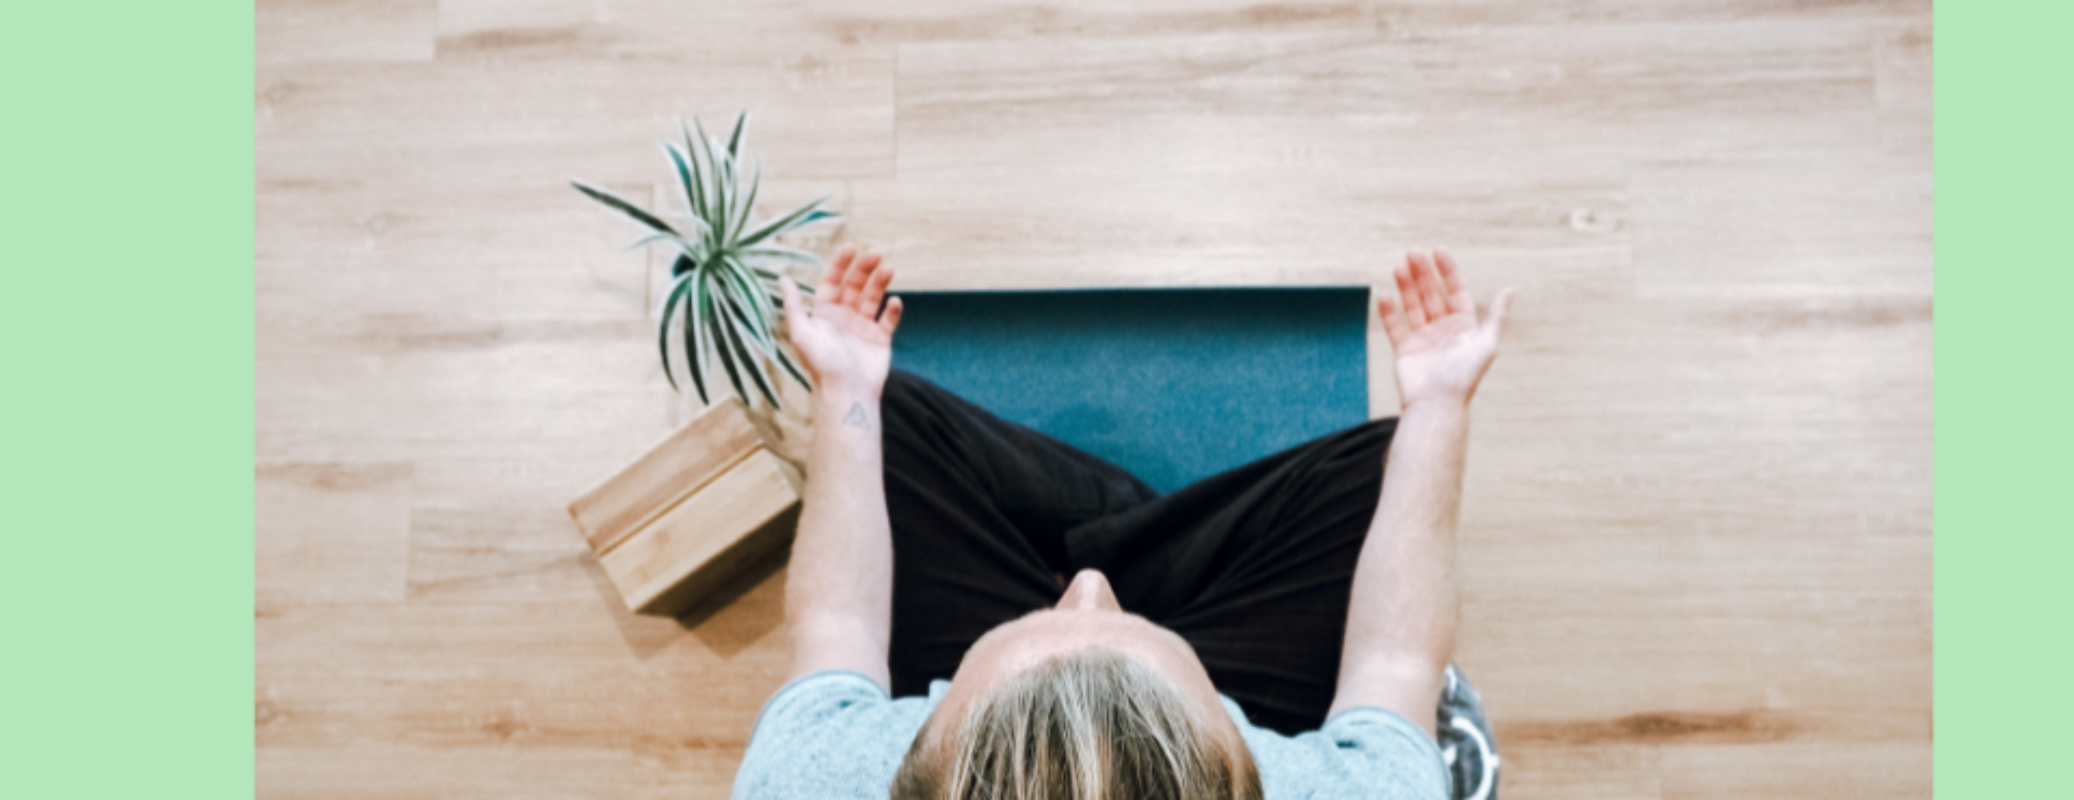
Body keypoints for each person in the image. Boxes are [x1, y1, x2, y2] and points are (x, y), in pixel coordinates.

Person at [731, 245, 1513, 800]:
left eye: (1056, 611)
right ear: (1245, 768)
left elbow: (837, 621)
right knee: (1373, 473)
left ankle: (1126, 520)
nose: (1090, 588)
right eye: (1119, 619)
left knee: (892, 413)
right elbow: (1396, 662)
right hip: (1267, 682)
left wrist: (846, 389)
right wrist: (1439, 402)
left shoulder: (812, 780)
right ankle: (1143, 525)